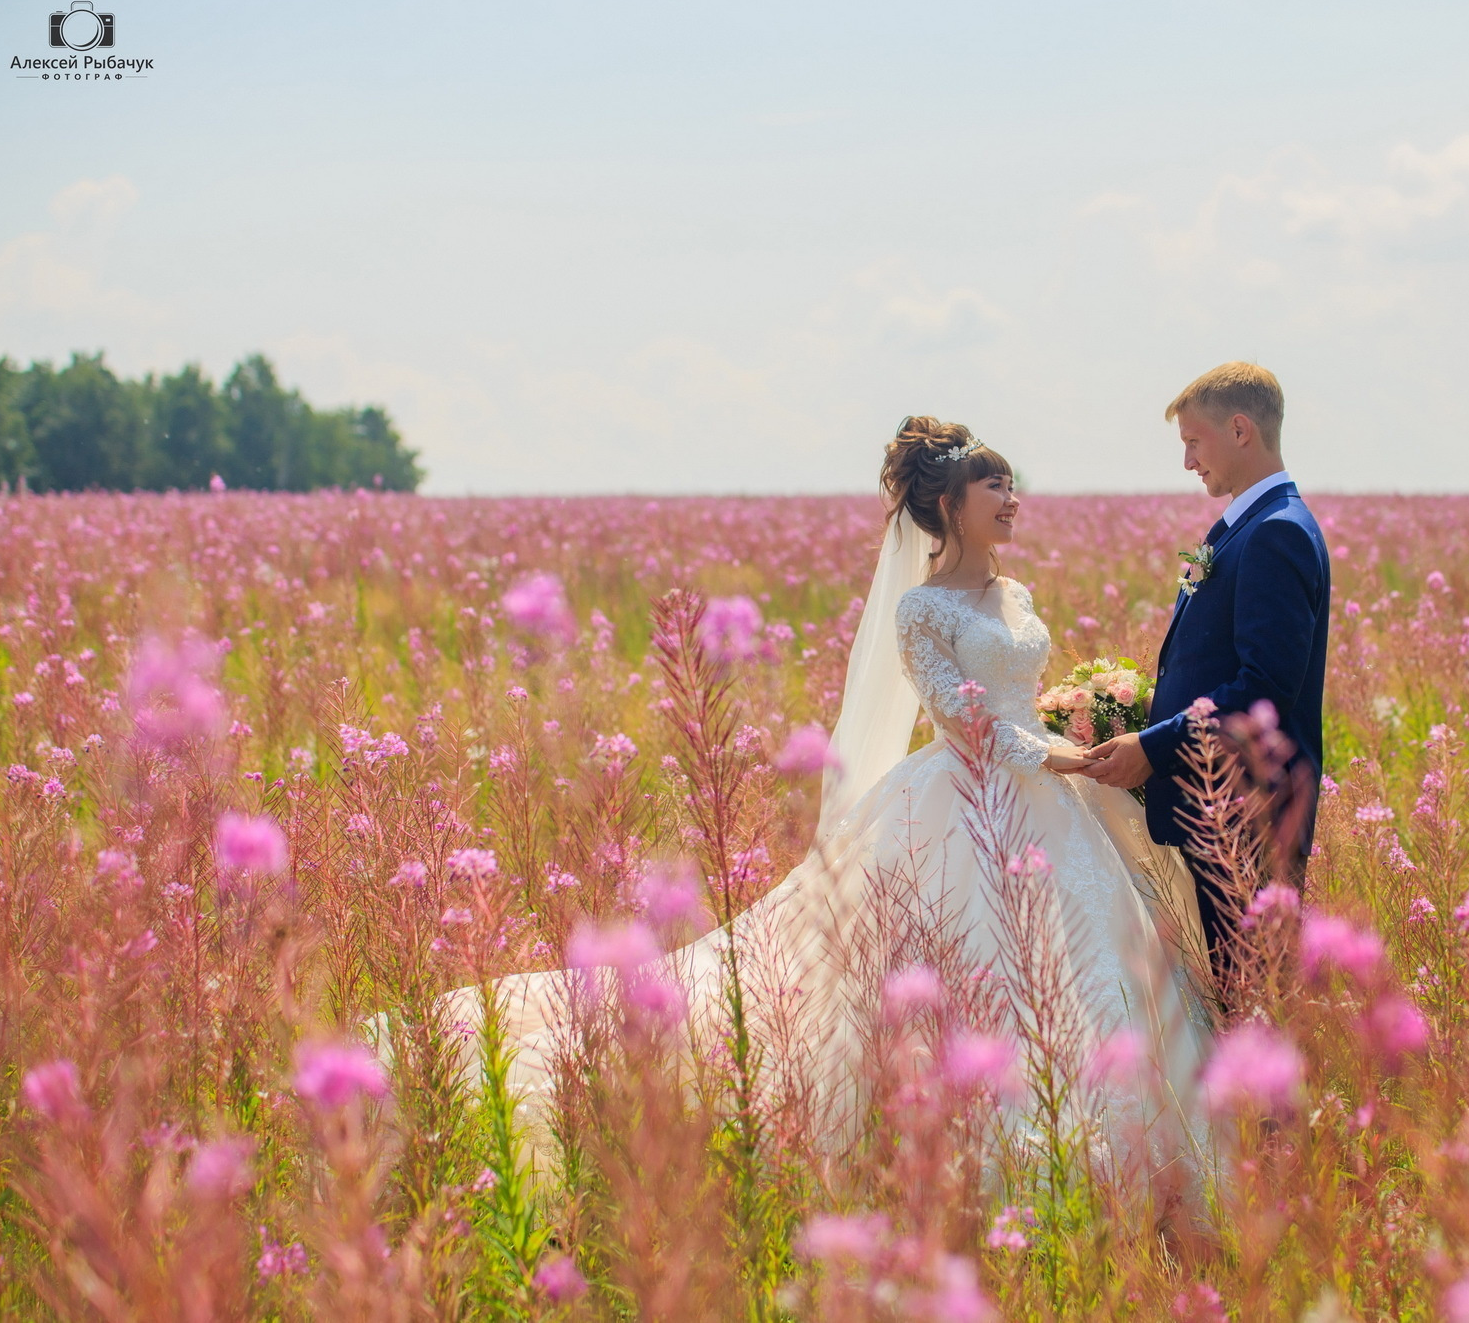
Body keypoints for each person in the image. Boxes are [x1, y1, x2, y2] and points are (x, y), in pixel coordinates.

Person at [442, 417, 1213, 1186]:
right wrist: (1061, 753)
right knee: (986, 970)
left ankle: (1137, 1145)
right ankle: (1003, 1152)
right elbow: (962, 719)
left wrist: (1071, 719)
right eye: (994, 485)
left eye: (1011, 483)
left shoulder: (1014, 592)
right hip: (971, 802)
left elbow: (1012, 699)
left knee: (1091, 963)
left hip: (1053, 793)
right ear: (950, 505)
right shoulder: (922, 610)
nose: (1012, 498)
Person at [1077, 363, 1331, 1007]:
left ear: (1240, 429)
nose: (1188, 461)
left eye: (1194, 441)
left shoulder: (1274, 532)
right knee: (1235, 997)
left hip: (1245, 809)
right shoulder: (1257, 524)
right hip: (1218, 802)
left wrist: (1155, 745)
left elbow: (1263, 690)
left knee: (1254, 1002)